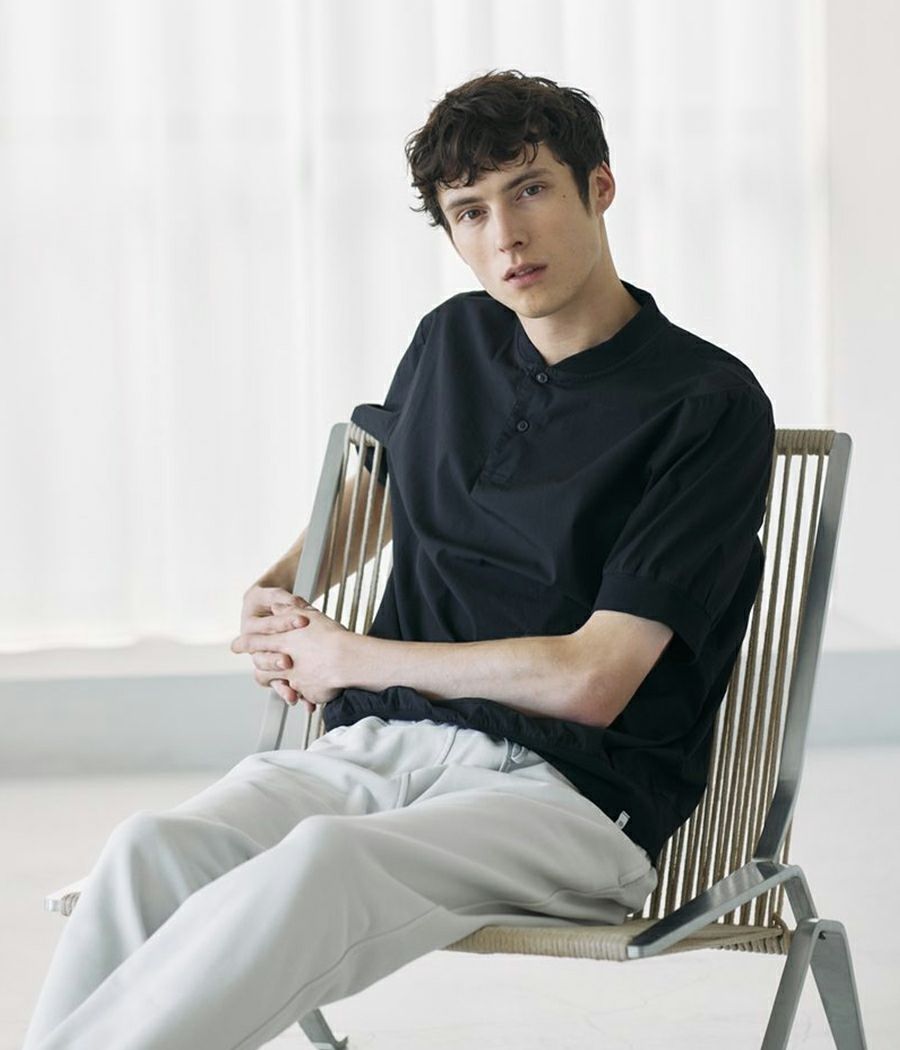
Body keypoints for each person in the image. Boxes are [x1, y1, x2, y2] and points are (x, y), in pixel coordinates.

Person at [23, 69, 775, 1050]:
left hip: (570, 796)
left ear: (600, 187)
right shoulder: (453, 338)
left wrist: (351, 658)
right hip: (379, 745)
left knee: (321, 866)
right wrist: (279, 589)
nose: (505, 236)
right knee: (148, 852)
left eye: (531, 190)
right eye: (471, 211)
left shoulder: (707, 402)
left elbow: (594, 681)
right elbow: (379, 493)